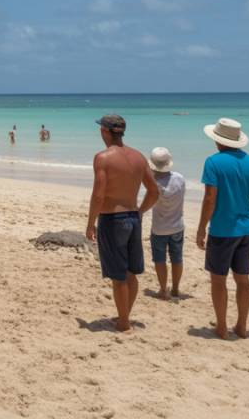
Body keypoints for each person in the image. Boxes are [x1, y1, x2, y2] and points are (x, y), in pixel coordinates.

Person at [85, 114, 158, 333]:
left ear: (104, 131)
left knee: (118, 275)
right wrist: (140, 211)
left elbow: (99, 194)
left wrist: (91, 222)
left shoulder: (103, 158)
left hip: (112, 219)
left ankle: (124, 323)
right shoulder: (138, 157)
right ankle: (124, 315)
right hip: (133, 218)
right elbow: (154, 192)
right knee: (130, 273)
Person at [196, 118, 249, 340]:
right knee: (242, 279)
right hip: (246, 229)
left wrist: (200, 228)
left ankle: (222, 327)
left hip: (222, 230)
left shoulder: (213, 162)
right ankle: (242, 326)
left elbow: (209, 199)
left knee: (218, 279)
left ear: (217, 140)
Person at [147, 147, 185, 300]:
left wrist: (139, 211)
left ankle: (163, 289)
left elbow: (149, 202)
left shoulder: (154, 184)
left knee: (160, 259)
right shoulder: (180, 178)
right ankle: (175, 288)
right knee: (177, 258)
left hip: (159, 228)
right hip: (177, 226)